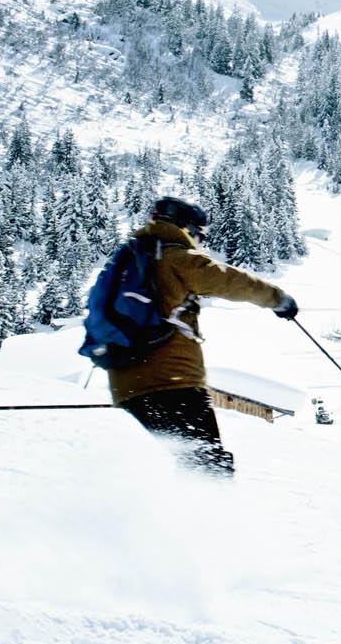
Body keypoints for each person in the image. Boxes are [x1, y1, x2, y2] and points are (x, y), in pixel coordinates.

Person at [107, 195, 295, 477]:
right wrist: (278, 299)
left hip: (126, 387)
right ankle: (210, 505)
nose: (198, 240)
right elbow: (230, 280)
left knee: (190, 460)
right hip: (173, 382)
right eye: (198, 233)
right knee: (209, 462)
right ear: (186, 227)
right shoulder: (176, 258)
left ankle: (169, 504)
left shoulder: (128, 261)